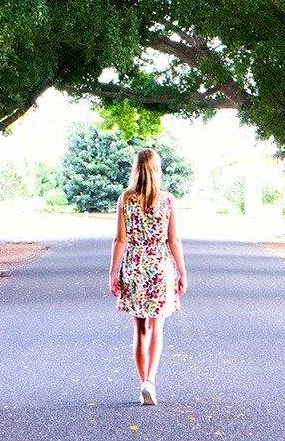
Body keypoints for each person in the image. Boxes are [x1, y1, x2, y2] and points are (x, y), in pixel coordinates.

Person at [107, 146, 187, 406]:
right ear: (156, 170)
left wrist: (113, 273)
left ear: (136, 170)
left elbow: (120, 240)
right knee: (157, 326)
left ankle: (143, 382)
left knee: (140, 330)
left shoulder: (125, 199)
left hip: (134, 266)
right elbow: (173, 240)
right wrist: (182, 273)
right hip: (160, 266)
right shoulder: (167, 200)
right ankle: (151, 381)